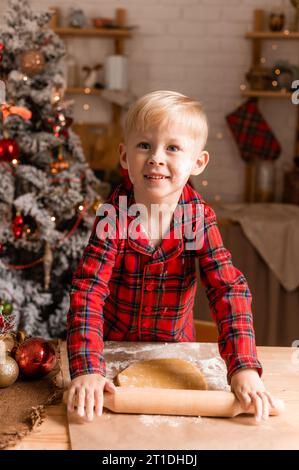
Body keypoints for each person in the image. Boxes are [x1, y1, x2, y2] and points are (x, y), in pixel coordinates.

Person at [67, 90, 277, 422]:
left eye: (173, 148)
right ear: (124, 156)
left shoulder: (196, 219)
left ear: (198, 162)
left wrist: (243, 365)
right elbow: (88, 292)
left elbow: (227, 290)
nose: (156, 158)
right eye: (144, 145)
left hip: (176, 352)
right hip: (113, 352)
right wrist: (88, 368)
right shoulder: (114, 217)